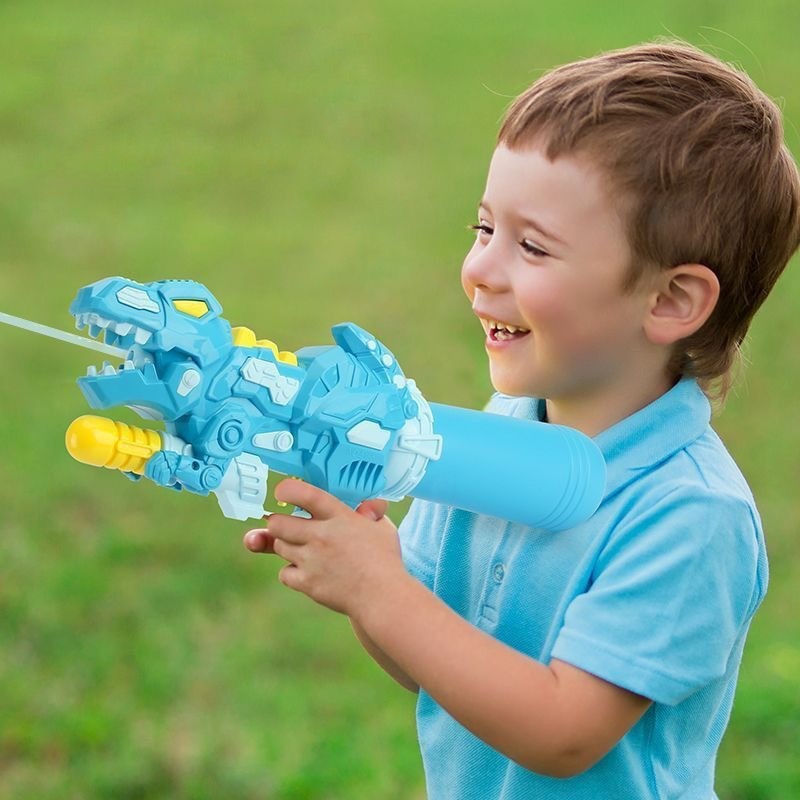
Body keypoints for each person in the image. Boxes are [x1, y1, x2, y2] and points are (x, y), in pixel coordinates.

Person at [243, 41, 800, 799]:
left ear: (670, 300)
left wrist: (383, 592)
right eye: (484, 229)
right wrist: (363, 555)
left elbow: (563, 732)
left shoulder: (691, 514)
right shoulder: (497, 432)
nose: (479, 268)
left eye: (532, 246)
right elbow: (429, 664)